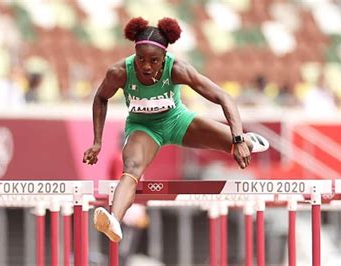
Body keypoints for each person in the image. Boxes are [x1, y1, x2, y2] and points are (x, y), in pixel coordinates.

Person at [82, 17, 269, 243]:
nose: (147, 66)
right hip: (144, 128)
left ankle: (248, 140)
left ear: (165, 58)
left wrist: (238, 139)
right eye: (141, 59)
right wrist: (97, 141)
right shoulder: (120, 72)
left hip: (178, 121)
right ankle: (114, 220)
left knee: (237, 144)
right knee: (131, 168)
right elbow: (101, 98)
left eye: (154, 60)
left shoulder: (178, 69)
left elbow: (223, 96)